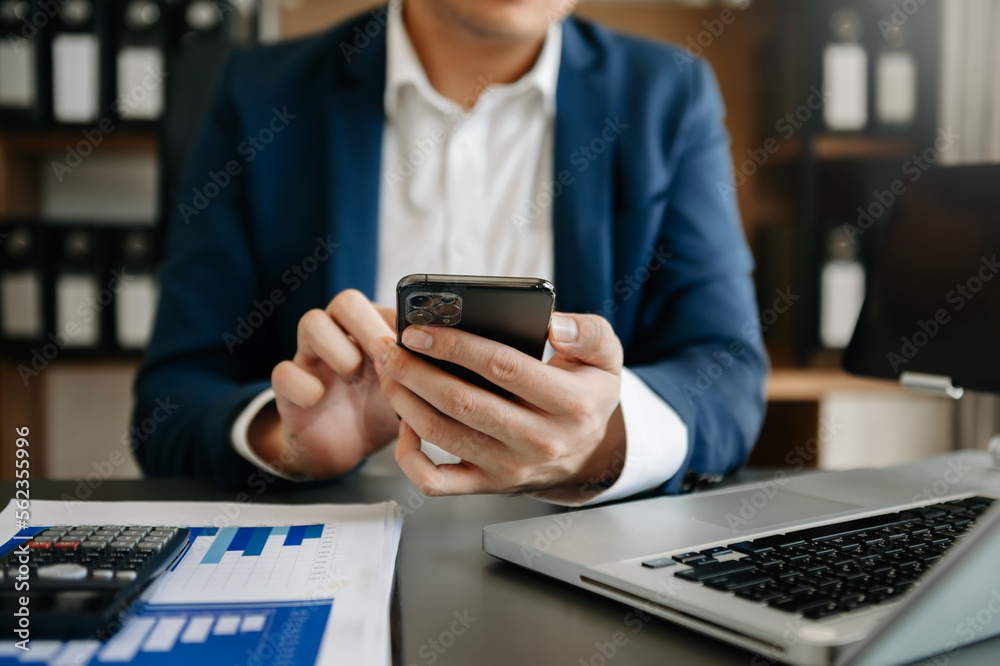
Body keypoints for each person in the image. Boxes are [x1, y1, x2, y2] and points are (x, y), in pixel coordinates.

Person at [132, 0, 768, 505]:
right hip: (339, 540)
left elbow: (728, 372)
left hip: (574, 551)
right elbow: (171, 400)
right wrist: (289, 439)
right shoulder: (260, 95)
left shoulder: (667, 94)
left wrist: (594, 444)